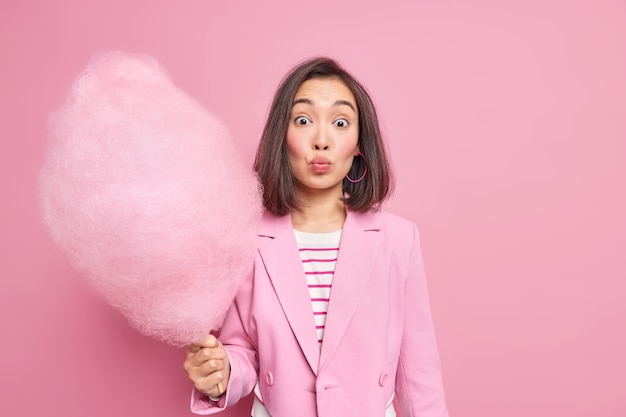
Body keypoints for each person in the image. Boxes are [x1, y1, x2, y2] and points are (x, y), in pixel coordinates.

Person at [183, 57, 449, 417]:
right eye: (304, 120)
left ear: (358, 144)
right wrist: (222, 372)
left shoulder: (398, 240)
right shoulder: (247, 240)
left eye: (340, 122)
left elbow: (419, 373)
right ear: (282, 136)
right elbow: (242, 350)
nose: (321, 140)